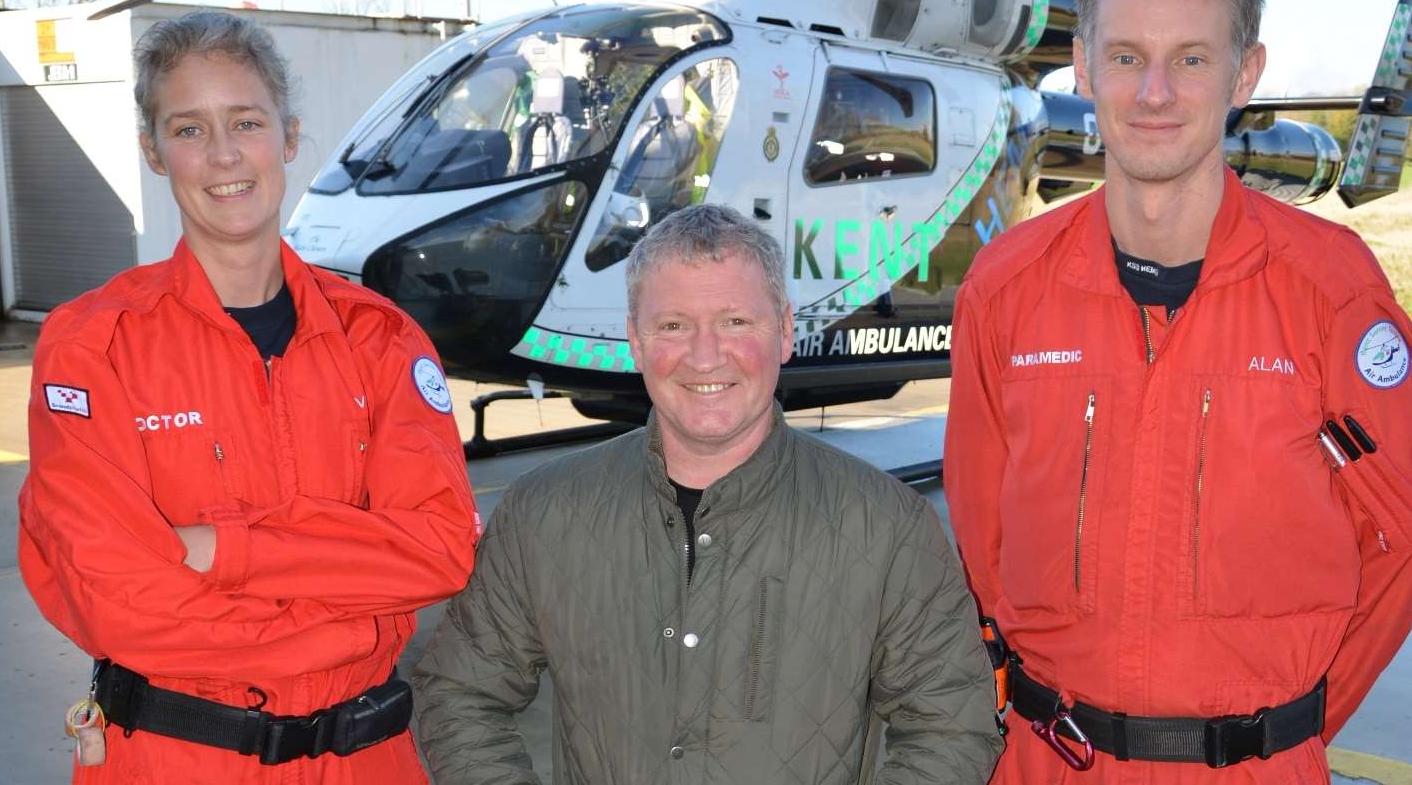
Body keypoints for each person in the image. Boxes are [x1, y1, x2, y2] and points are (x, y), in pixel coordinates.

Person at [944, 0, 1412, 782]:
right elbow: (978, 530)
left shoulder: (1327, 288)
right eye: (1127, 56)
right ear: (1084, 68)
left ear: (1243, 73)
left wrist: (1295, 725)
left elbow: (1405, 531)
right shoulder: (1006, 285)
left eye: (1191, 58)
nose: (1154, 94)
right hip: (1048, 759)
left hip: (1253, 765)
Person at [18, 10, 480, 783]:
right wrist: (345, 618)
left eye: (245, 121)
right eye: (189, 129)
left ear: (289, 136)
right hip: (173, 760)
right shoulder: (92, 346)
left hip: (367, 762)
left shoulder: (381, 341)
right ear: (153, 152)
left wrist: (222, 550)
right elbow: (114, 600)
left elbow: (439, 549)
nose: (224, 154)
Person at [413, 203, 1002, 784]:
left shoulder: (890, 527)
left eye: (735, 322)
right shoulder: (543, 513)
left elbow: (951, 727)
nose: (704, 355)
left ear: (786, 332)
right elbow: (460, 695)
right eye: (673, 325)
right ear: (636, 341)